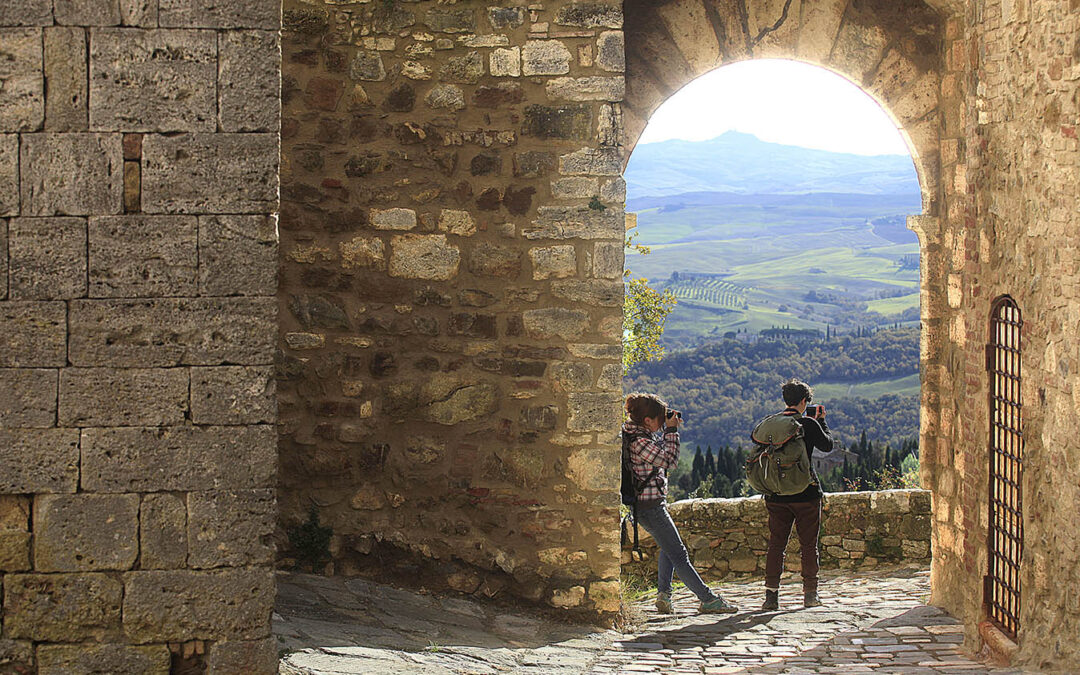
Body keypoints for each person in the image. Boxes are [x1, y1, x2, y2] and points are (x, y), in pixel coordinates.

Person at [623, 392, 738, 614]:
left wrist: (667, 431)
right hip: (650, 507)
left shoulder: (636, 434)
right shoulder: (640, 441)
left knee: (669, 549)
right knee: (679, 554)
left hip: (648, 505)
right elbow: (670, 460)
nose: (661, 423)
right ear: (647, 420)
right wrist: (672, 431)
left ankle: (664, 596)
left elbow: (660, 454)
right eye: (659, 419)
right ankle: (707, 599)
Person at [762, 378, 833, 610]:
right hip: (806, 494)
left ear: (786, 400)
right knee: (808, 545)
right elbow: (828, 446)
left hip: (776, 495)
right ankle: (810, 594)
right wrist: (821, 422)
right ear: (804, 401)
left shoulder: (772, 423)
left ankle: (771, 597)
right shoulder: (808, 424)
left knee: (776, 545)